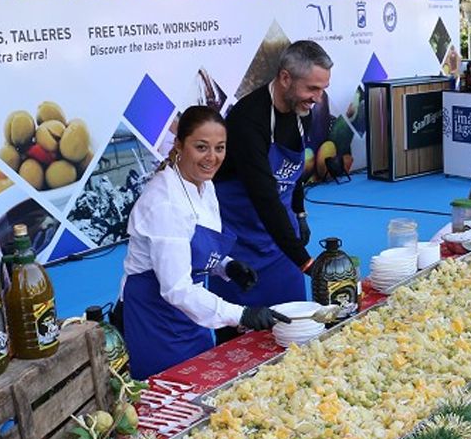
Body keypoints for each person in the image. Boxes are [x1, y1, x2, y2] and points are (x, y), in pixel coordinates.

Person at [120, 106, 289, 379]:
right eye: (201, 147)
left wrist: (226, 266)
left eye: (220, 148)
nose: (212, 158)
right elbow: (175, 288)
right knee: (170, 401)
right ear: (179, 145)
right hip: (156, 318)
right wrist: (241, 314)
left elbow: (191, 248)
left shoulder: (205, 185)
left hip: (191, 315)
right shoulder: (165, 203)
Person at [211, 41, 331, 335]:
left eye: (322, 89)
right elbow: (264, 196)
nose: (318, 98)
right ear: (285, 78)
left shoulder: (302, 110)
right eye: (312, 89)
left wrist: (300, 214)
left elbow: (296, 169)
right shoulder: (247, 121)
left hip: (280, 242)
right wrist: (305, 261)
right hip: (241, 244)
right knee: (241, 340)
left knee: (295, 329)